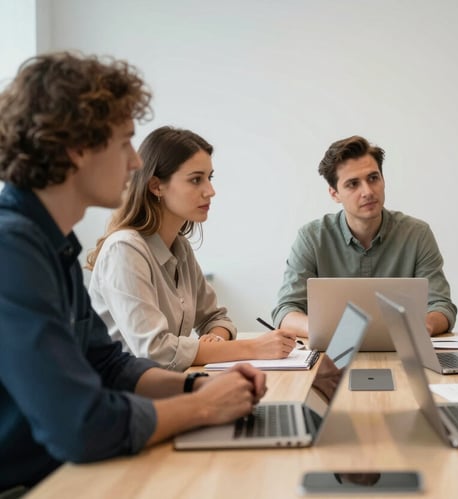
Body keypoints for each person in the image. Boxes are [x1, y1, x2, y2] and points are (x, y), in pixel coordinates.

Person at [0, 52, 267, 494]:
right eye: (124, 142)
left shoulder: (53, 244)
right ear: (76, 147)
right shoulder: (12, 249)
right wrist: (202, 408)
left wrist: (194, 386)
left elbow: (107, 363)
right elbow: (79, 424)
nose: (134, 162)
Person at [87, 126, 296, 372]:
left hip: (162, 388)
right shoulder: (124, 250)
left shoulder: (179, 247)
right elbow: (156, 351)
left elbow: (215, 318)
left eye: (210, 178)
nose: (210, 191)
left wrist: (215, 340)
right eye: (196, 179)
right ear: (156, 186)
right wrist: (254, 348)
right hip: (124, 399)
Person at [272, 135, 457, 336]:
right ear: (334, 194)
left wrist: (424, 325)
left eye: (373, 178)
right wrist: (329, 332)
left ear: (383, 180)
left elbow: (441, 305)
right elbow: (286, 310)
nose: (368, 191)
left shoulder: (417, 234)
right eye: (353, 184)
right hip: (331, 352)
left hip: (403, 350)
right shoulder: (312, 237)